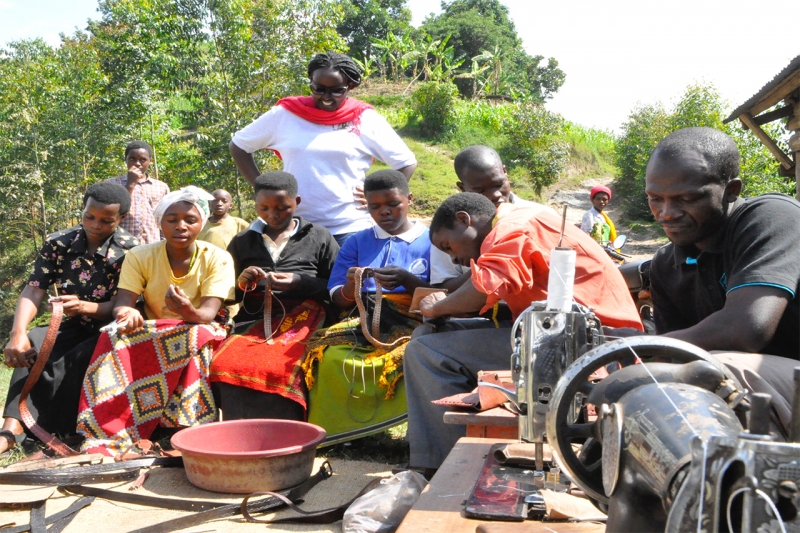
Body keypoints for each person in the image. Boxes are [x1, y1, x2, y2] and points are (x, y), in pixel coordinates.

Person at [403, 192, 643, 471]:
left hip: (591, 341)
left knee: (424, 352)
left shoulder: (510, 228)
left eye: (448, 246)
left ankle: (447, 465)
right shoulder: (515, 222)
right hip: (554, 331)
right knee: (427, 338)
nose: (454, 258)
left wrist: (435, 307)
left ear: (463, 220)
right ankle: (436, 447)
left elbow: (480, 292)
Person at [646, 127, 800, 439]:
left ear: (731, 190)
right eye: (654, 199)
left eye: (687, 198)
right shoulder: (666, 265)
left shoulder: (771, 219)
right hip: (773, 396)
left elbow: (747, 329)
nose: (667, 213)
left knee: (716, 369)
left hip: (788, 379)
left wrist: (642, 350)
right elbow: (671, 356)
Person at [76, 186, 235, 455]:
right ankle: (109, 426)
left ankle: (186, 426)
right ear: (160, 223)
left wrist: (187, 311)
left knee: (194, 337)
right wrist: (128, 314)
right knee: (111, 335)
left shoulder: (217, 258)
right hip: (155, 328)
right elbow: (123, 305)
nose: (180, 226)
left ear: (202, 223)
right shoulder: (141, 255)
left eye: (190, 220)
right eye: (171, 220)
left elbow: (208, 314)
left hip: (204, 328)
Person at [0, 183, 138, 454]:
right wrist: (17, 332)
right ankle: (11, 427)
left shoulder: (132, 251)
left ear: (121, 218)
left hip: (111, 329)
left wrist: (87, 307)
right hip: (72, 324)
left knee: (79, 357)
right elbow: (34, 288)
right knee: (33, 342)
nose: (95, 225)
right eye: (89, 216)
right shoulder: (59, 243)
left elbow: (131, 304)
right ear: (83, 210)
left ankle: (61, 429)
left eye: (106, 221)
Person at [229, 52, 417, 245]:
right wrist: (262, 189)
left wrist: (379, 196)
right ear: (310, 83)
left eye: (337, 90)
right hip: (295, 228)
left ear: (349, 87)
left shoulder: (363, 118)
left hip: (350, 229)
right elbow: (239, 146)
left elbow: (406, 162)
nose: (326, 97)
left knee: (349, 277)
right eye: (318, 89)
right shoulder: (285, 115)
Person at [301, 170, 431, 436]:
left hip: (415, 320)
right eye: (375, 207)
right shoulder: (357, 242)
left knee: (410, 355)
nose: (385, 212)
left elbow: (442, 291)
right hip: (363, 318)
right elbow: (337, 297)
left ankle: (411, 429)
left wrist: (408, 280)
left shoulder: (431, 241)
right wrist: (352, 285)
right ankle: (343, 433)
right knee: (327, 357)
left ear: (410, 199)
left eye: (393, 204)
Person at [210, 172, 339, 421]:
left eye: (282, 208)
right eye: (264, 208)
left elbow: (336, 288)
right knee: (226, 362)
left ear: (297, 202)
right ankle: (242, 427)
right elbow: (228, 294)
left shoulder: (319, 236)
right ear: (255, 205)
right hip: (254, 319)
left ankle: (287, 428)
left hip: (307, 318)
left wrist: (301, 282)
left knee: (281, 364)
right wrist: (242, 282)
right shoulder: (242, 241)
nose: (273, 214)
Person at [431, 145, 555, 294]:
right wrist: (488, 270)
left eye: (499, 184)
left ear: (505, 172)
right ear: (462, 188)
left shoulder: (542, 215)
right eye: (480, 190)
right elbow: (443, 287)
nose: (496, 194)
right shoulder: (450, 232)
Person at [106, 140, 170, 244]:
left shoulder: (161, 187)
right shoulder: (111, 184)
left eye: (143, 159)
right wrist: (130, 184)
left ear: (150, 161)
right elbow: (110, 214)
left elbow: (164, 218)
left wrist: (165, 242)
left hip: (151, 245)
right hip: (120, 245)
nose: (137, 163)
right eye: (132, 159)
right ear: (126, 160)